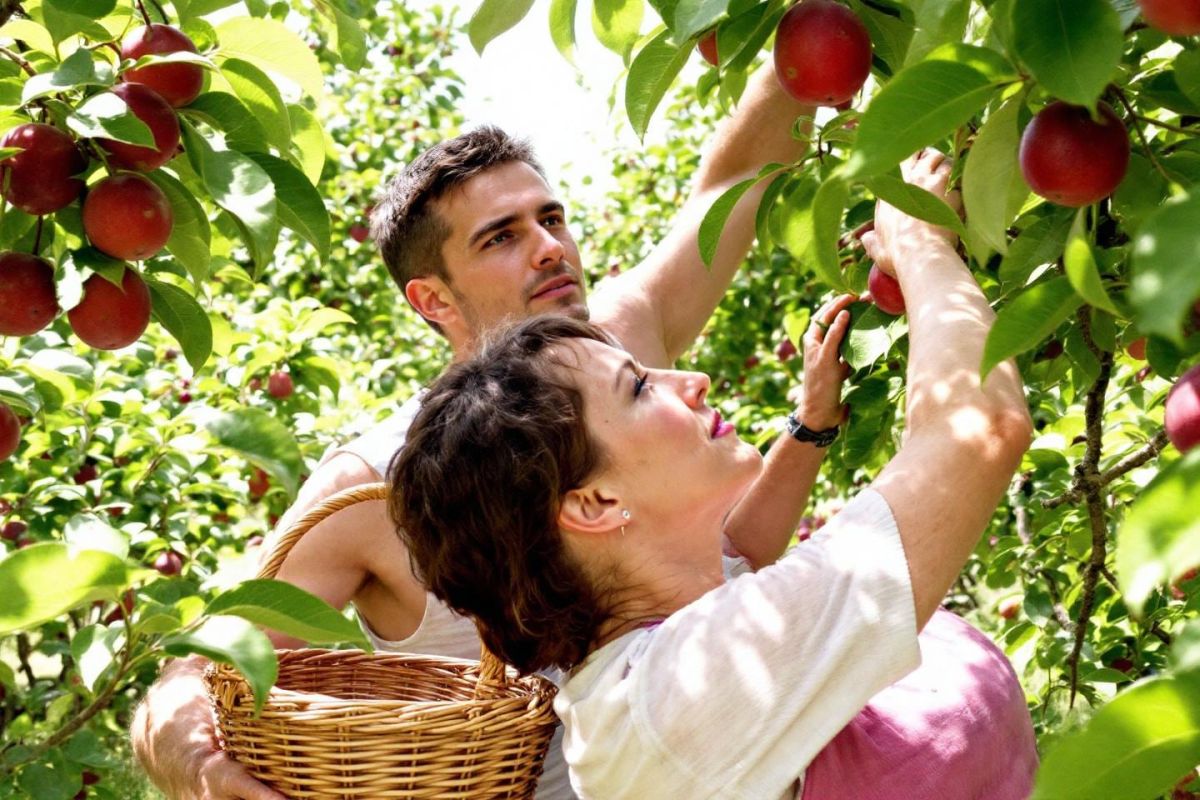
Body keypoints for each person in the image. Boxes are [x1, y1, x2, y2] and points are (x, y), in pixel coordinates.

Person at [132, 63, 823, 800]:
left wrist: (806, 33)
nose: (550, 247)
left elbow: (736, 181)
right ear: (432, 299)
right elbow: (206, 660)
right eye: (501, 237)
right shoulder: (380, 480)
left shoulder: (626, 344)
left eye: (550, 219)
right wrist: (191, 762)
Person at [389, 151, 1038, 799]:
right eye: (639, 388)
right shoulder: (684, 694)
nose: (693, 382)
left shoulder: (683, 636)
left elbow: (743, 555)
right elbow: (978, 430)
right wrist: (920, 241)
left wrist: (811, 423)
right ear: (594, 504)